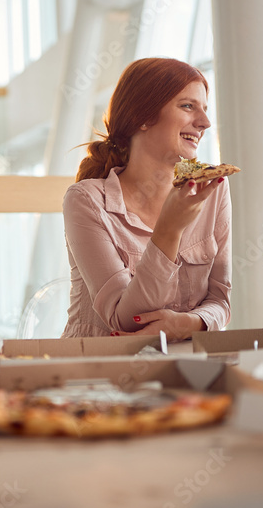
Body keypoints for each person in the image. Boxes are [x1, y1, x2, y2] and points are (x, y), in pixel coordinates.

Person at [62, 57, 231, 340]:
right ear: (142, 116)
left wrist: (187, 324)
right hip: (99, 371)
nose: (204, 122)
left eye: (204, 109)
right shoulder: (86, 200)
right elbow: (124, 320)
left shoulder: (213, 190)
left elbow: (221, 301)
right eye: (188, 106)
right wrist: (170, 229)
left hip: (183, 363)